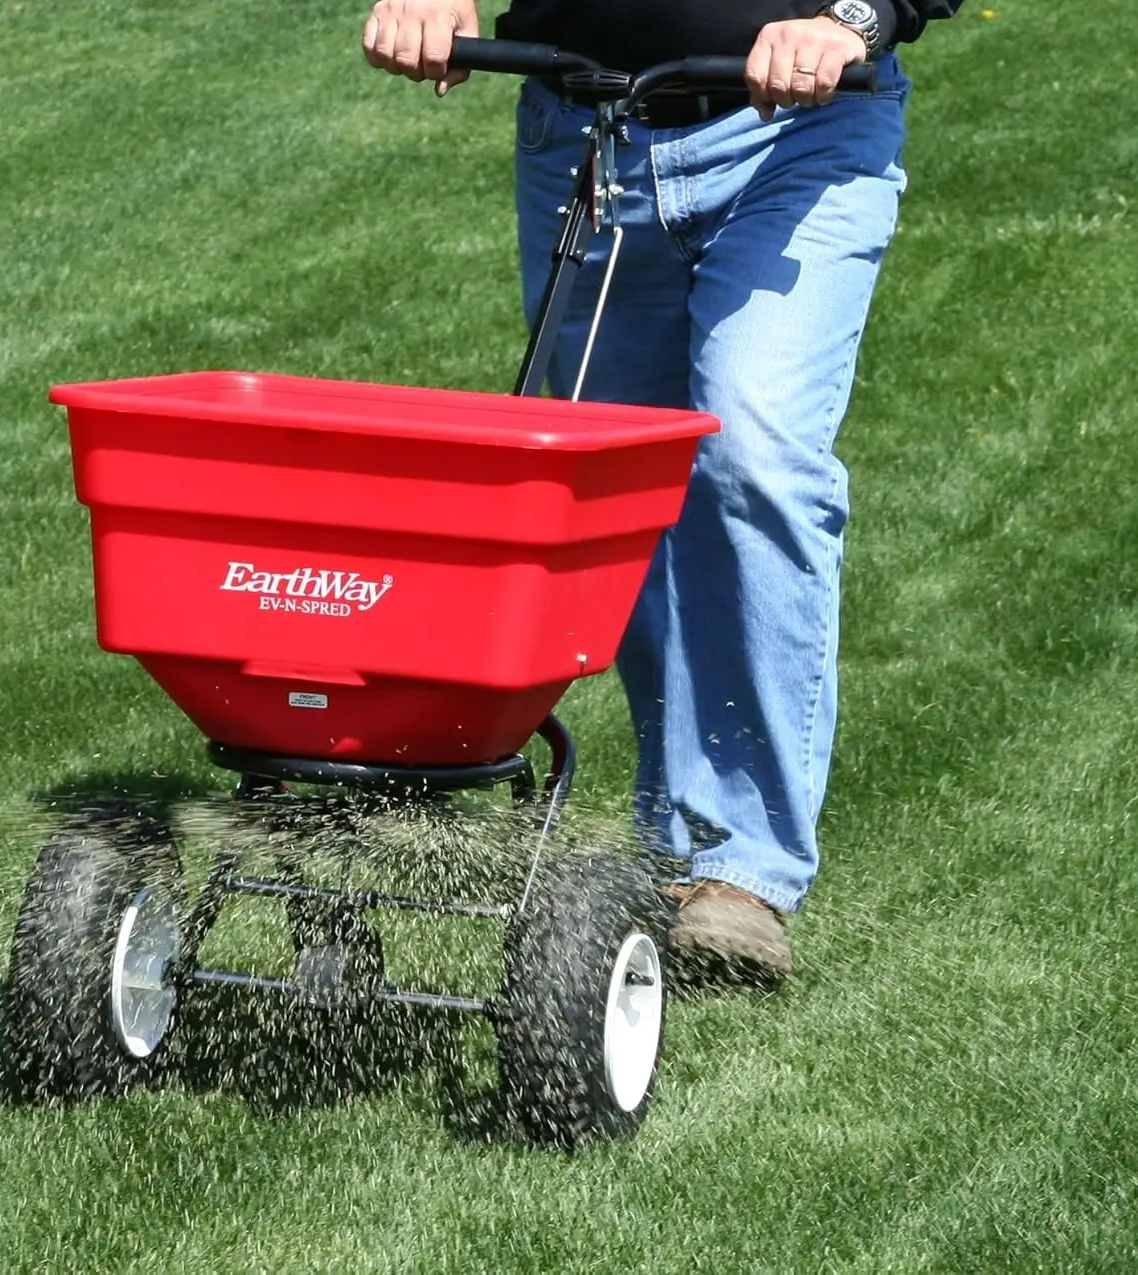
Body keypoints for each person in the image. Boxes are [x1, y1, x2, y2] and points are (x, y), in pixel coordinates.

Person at [363, 0, 960, 986]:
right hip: (588, 138)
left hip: (797, 134)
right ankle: (678, 843)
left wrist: (856, 18)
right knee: (617, 497)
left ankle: (743, 872)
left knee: (754, 449)